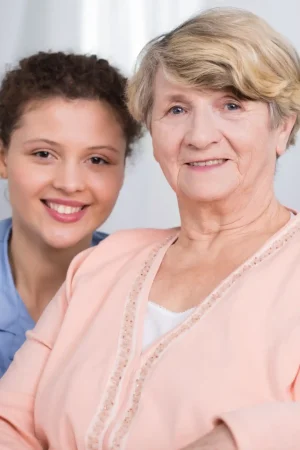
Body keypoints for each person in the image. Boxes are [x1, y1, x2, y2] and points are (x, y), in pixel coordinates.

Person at [1, 7, 300, 450]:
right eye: (176, 108)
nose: (200, 135)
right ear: (153, 134)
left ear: (283, 127)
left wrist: (239, 438)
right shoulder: (103, 262)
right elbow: (10, 421)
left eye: (232, 105)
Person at [0, 51, 141, 377]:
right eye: (44, 154)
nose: (70, 184)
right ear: (4, 158)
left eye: (97, 160)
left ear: (122, 170)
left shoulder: (147, 291)